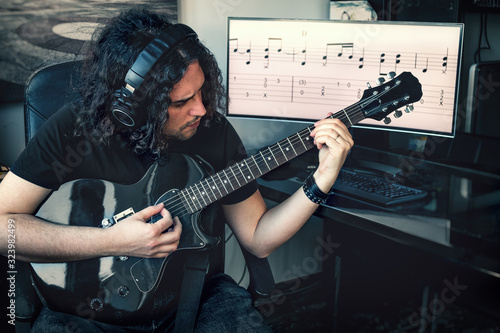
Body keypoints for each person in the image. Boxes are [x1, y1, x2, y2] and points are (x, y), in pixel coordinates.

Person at [0, 8, 353, 332]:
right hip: (82, 313)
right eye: (181, 102)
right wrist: (112, 241)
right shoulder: (72, 130)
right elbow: (4, 229)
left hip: (194, 299)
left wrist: (320, 180)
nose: (201, 109)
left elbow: (258, 239)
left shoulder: (211, 131)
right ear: (133, 107)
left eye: (201, 91)